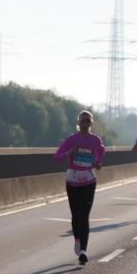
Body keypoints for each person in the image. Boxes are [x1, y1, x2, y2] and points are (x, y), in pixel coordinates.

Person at [53, 110, 105, 265]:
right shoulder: (71, 139)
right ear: (78, 123)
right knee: (76, 216)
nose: (85, 123)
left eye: (87, 121)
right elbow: (56, 157)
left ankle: (83, 251)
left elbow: (102, 151)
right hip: (73, 180)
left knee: (84, 216)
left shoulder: (95, 140)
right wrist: (70, 152)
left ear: (91, 123)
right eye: (82, 121)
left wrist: (98, 163)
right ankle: (77, 239)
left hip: (89, 180)